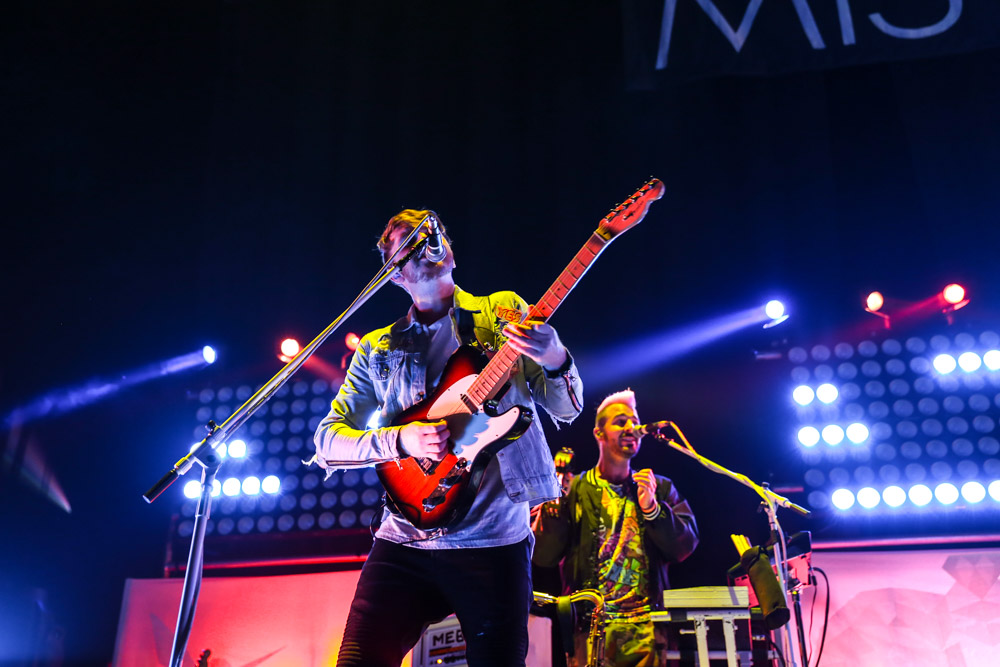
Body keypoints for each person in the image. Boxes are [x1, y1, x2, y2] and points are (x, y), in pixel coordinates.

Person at [312, 208, 584, 666]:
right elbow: (327, 442)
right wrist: (403, 440)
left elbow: (567, 408)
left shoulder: (503, 313)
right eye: (410, 242)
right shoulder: (379, 348)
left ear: (450, 253)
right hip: (403, 540)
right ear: (393, 274)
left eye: (431, 234)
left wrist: (555, 355)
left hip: (493, 542)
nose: (426, 242)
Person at [532, 390, 698, 667]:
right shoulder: (576, 489)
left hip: (649, 628)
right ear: (599, 433)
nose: (631, 427)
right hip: (591, 630)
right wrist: (555, 507)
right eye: (621, 422)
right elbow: (544, 556)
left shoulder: (659, 487)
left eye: (634, 421)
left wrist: (653, 510)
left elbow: (684, 546)